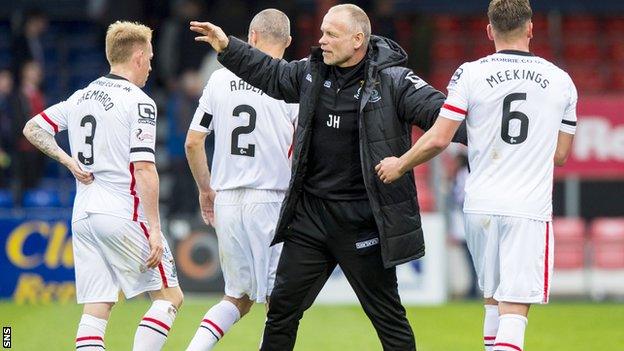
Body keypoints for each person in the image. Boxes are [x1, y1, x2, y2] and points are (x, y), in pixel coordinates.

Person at [190, 4, 466, 350]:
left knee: (388, 318)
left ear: (357, 40)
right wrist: (227, 46)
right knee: (281, 312)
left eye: (330, 34)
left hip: (362, 220)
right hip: (311, 220)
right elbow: (270, 73)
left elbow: (447, 118)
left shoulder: (394, 80)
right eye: (321, 32)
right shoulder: (311, 72)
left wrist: (405, 161)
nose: (321, 41)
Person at [375, 1, 576, 350]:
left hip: (480, 204)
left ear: (489, 30)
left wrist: (400, 163)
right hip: (527, 207)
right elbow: (559, 155)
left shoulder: (470, 73)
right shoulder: (561, 81)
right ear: (531, 28)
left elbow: (439, 137)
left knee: (493, 301)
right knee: (515, 306)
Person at [22, 21, 183, 351]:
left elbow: (33, 128)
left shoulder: (81, 96)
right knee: (169, 297)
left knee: (96, 309)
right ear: (138, 57)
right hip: (123, 212)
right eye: (150, 58)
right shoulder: (140, 102)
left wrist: (67, 161)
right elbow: (144, 168)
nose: (152, 66)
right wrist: (154, 228)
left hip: (84, 214)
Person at [184, 9, 298, 350]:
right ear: (288, 42)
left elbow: (193, 141)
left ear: (251, 37)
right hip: (271, 199)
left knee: (237, 296)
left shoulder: (219, 79)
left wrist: (206, 190)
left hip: (228, 200)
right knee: (280, 302)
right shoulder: (292, 81)